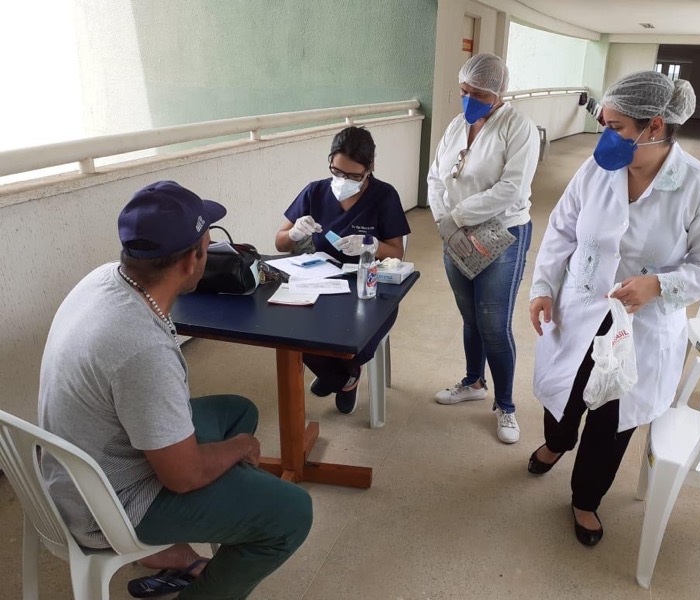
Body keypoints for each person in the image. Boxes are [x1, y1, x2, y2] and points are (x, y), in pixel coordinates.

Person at [38, 180, 313, 598]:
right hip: (106, 506)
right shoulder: (141, 347)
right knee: (292, 513)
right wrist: (241, 447)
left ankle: (190, 547)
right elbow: (183, 476)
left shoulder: (104, 280)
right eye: (209, 239)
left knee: (237, 411)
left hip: (74, 469)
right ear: (191, 261)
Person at [527, 71, 700, 546]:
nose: (605, 136)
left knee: (610, 415)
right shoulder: (595, 169)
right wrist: (543, 286)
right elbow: (562, 229)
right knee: (567, 390)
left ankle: (585, 499)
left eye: (616, 127)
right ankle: (557, 443)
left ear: (656, 128)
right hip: (581, 307)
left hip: (640, 326)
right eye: (603, 123)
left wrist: (661, 285)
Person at [427, 53, 539, 444]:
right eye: (463, 91)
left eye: (477, 94)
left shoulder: (518, 127)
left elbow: (512, 189)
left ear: (498, 93)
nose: (468, 100)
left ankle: (506, 406)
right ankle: (474, 381)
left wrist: (456, 216)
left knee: (494, 322)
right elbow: (436, 175)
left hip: (500, 232)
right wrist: (445, 220)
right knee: (470, 316)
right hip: (455, 233)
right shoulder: (457, 125)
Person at [275, 126, 410, 414]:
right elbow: (280, 243)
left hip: (369, 287)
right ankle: (345, 377)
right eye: (337, 172)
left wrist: (370, 244)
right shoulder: (315, 191)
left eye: (352, 175)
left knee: (356, 335)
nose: (342, 180)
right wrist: (296, 232)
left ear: (369, 168)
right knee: (286, 328)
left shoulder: (384, 196)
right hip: (320, 281)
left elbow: (396, 252)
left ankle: (337, 374)